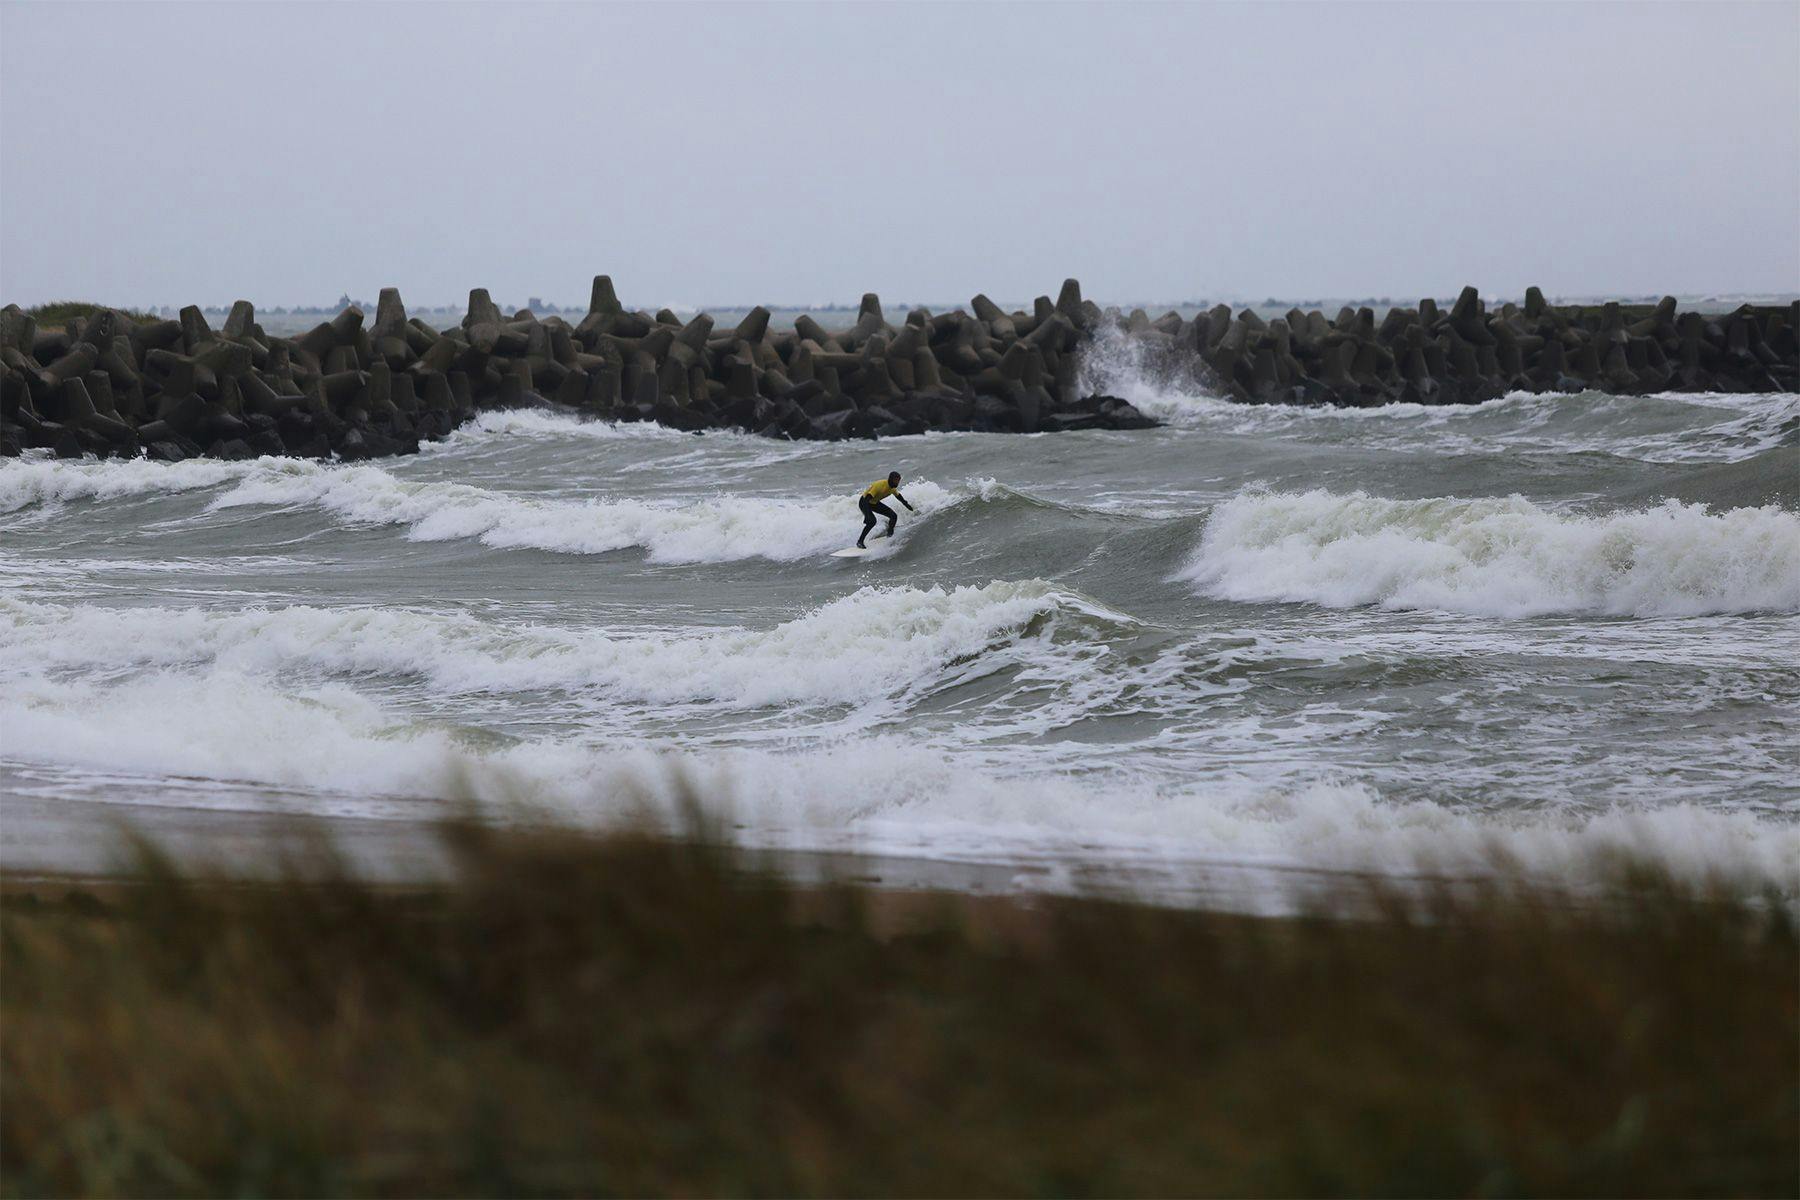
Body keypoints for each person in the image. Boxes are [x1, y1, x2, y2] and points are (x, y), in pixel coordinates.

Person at [858, 471, 914, 548]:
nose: (897, 482)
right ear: (890, 479)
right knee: (872, 521)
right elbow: (867, 499)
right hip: (864, 502)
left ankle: (889, 535)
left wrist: (906, 504)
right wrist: (867, 515)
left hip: (874, 503)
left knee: (893, 516)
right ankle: (860, 541)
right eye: (896, 480)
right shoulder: (879, 485)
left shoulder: (892, 488)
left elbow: (898, 496)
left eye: (898, 480)